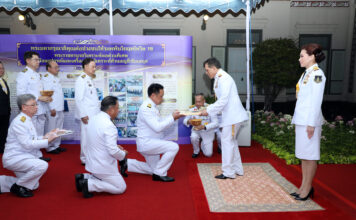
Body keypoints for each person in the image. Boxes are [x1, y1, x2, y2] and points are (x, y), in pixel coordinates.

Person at [0, 94, 58, 197]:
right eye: (33, 105)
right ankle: (17, 187)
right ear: (24, 107)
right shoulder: (20, 122)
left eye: (36, 104)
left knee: (33, 185)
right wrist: (47, 141)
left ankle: (2, 183)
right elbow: (27, 144)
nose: (37, 107)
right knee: (42, 165)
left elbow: (31, 139)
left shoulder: (26, 119)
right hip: (14, 158)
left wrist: (45, 136)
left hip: (22, 156)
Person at [200, 57, 248, 179]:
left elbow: (223, 100)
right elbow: (222, 101)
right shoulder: (219, 78)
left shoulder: (224, 78)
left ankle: (228, 172)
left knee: (227, 143)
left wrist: (208, 110)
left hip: (233, 116)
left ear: (214, 68)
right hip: (231, 116)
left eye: (207, 70)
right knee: (232, 142)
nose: (206, 73)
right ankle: (237, 169)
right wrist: (209, 109)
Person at [125, 83, 183, 182]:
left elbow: (158, 123)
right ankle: (159, 174)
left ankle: (127, 163)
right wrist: (172, 117)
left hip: (151, 142)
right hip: (147, 143)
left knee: (153, 169)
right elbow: (158, 127)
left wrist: (172, 117)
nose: (162, 98)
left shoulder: (152, 106)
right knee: (174, 147)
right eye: (161, 96)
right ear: (153, 95)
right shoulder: (146, 108)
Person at [290, 43, 326, 201]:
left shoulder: (317, 74)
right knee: (304, 156)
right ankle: (303, 186)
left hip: (309, 122)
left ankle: (307, 188)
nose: (299, 59)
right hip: (302, 120)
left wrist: (311, 123)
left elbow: (316, 101)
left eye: (302, 56)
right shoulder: (306, 73)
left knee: (310, 156)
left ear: (312, 57)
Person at [75, 96, 128, 198]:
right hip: (102, 165)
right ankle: (89, 184)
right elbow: (112, 151)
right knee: (121, 187)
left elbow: (98, 140)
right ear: (111, 109)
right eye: (117, 108)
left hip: (91, 163)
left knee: (105, 178)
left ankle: (84, 177)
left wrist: (115, 146)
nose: (118, 111)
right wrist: (123, 155)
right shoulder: (109, 125)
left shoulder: (94, 118)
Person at [16, 51, 52, 161]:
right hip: (30, 110)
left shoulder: (37, 75)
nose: (38, 62)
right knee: (31, 134)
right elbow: (20, 94)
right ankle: (31, 156)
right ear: (28, 60)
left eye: (39, 60)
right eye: (36, 59)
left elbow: (38, 91)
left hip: (40, 109)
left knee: (39, 133)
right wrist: (38, 98)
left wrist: (46, 97)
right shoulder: (23, 75)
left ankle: (38, 155)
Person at [75, 58, 100, 165]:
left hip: (93, 114)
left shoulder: (89, 79)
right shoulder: (81, 79)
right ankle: (84, 159)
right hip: (87, 114)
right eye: (92, 66)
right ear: (85, 66)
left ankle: (91, 156)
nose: (95, 69)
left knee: (92, 136)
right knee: (85, 137)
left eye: (95, 66)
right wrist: (83, 114)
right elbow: (78, 99)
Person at [183, 93, 218, 158]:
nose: (197, 104)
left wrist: (204, 127)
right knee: (193, 137)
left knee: (209, 154)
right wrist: (189, 121)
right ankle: (196, 151)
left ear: (204, 101)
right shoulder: (192, 109)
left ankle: (202, 145)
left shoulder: (210, 108)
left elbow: (216, 123)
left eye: (199, 101)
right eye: (196, 101)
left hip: (207, 131)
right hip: (196, 130)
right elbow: (185, 120)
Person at [43, 60, 66, 154]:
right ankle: (49, 147)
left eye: (58, 67)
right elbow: (47, 95)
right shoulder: (47, 78)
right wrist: (51, 108)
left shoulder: (55, 78)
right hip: (53, 109)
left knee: (58, 128)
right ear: (49, 68)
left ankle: (56, 145)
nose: (58, 69)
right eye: (55, 67)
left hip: (59, 108)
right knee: (51, 128)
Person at [0, 61, 11, 153]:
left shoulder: (3, 81)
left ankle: (2, 147)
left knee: (3, 131)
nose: (1, 70)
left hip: (5, 112)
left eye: (2, 68)